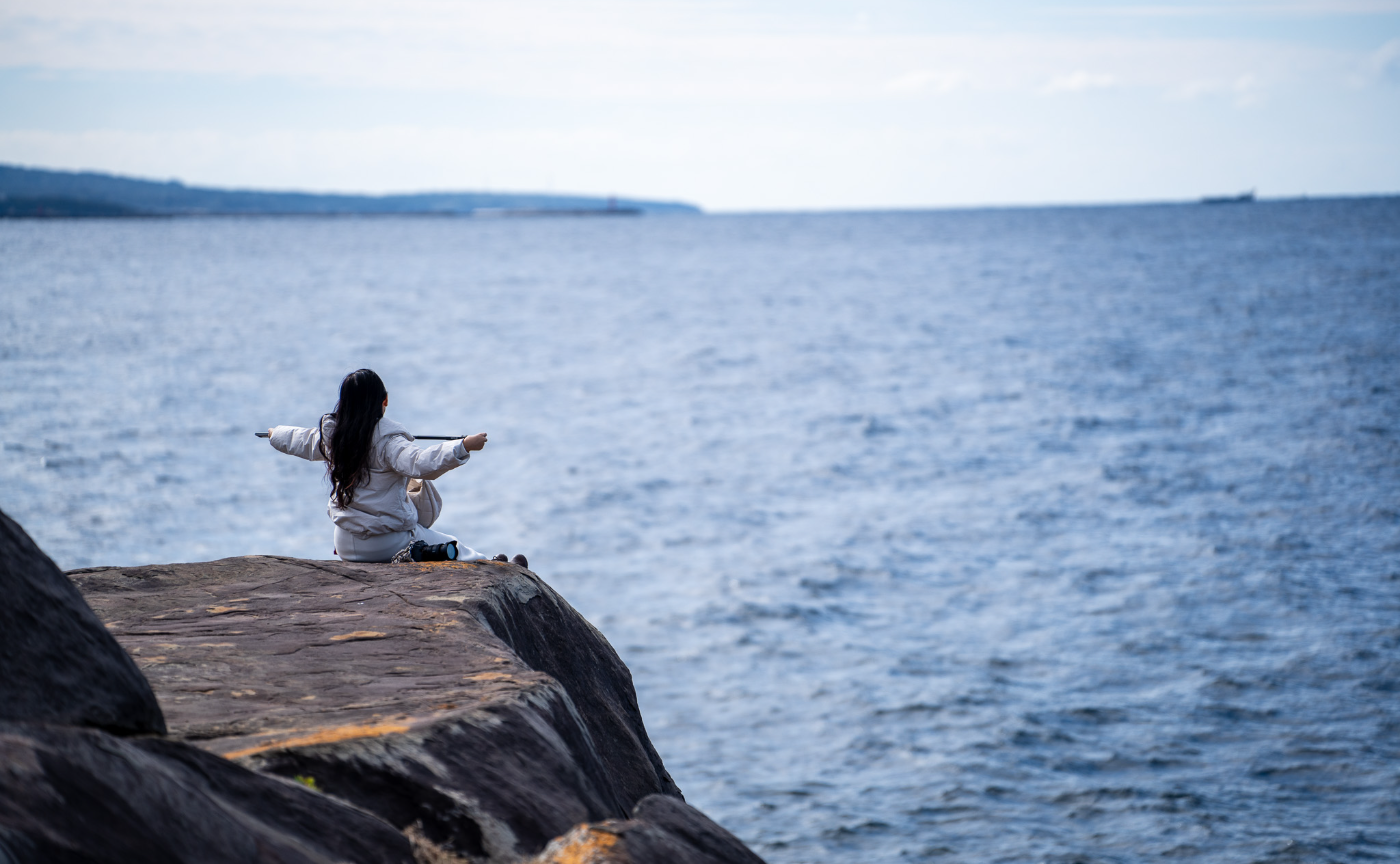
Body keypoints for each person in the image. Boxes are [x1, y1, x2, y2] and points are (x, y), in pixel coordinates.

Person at [267, 368, 525, 566]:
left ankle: (492, 564)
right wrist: (464, 446)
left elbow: (300, 439)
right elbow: (421, 464)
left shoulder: (335, 438)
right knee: (453, 547)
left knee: (431, 537)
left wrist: (274, 434)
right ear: (385, 401)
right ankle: (493, 566)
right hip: (386, 544)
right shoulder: (389, 442)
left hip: (344, 542)